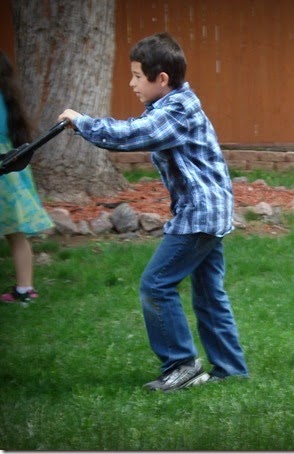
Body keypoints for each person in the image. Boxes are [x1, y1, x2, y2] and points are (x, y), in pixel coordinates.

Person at [58, 32, 248, 392]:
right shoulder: (173, 105)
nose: (131, 84)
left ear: (161, 78)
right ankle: (231, 370)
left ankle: (181, 364)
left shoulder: (177, 111)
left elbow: (132, 135)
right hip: (211, 211)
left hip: (200, 214)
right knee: (209, 294)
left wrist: (83, 123)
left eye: (136, 76)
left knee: (156, 285)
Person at [0, 51, 54, 304]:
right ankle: (25, 289)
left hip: (3, 171)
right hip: (11, 171)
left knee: (14, 233)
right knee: (16, 233)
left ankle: (24, 289)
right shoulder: (8, 98)